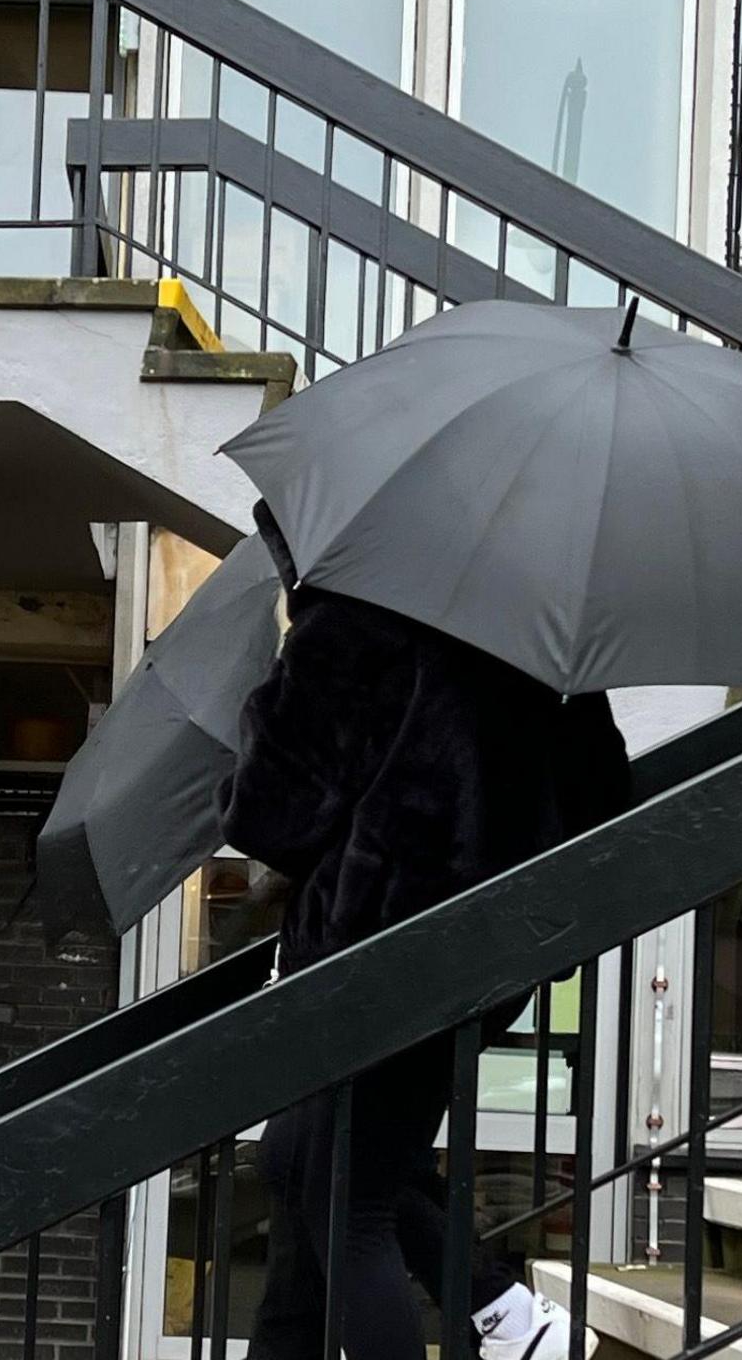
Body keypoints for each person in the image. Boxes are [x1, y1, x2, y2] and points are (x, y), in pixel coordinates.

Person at [223, 503, 629, 1360]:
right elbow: (604, 795)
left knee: (347, 1203)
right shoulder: (526, 622)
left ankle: (504, 1315)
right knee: (303, 1166)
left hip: (375, 955)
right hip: (484, 955)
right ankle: (506, 1315)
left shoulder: (347, 624)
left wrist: (276, 691)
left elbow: (272, 815)